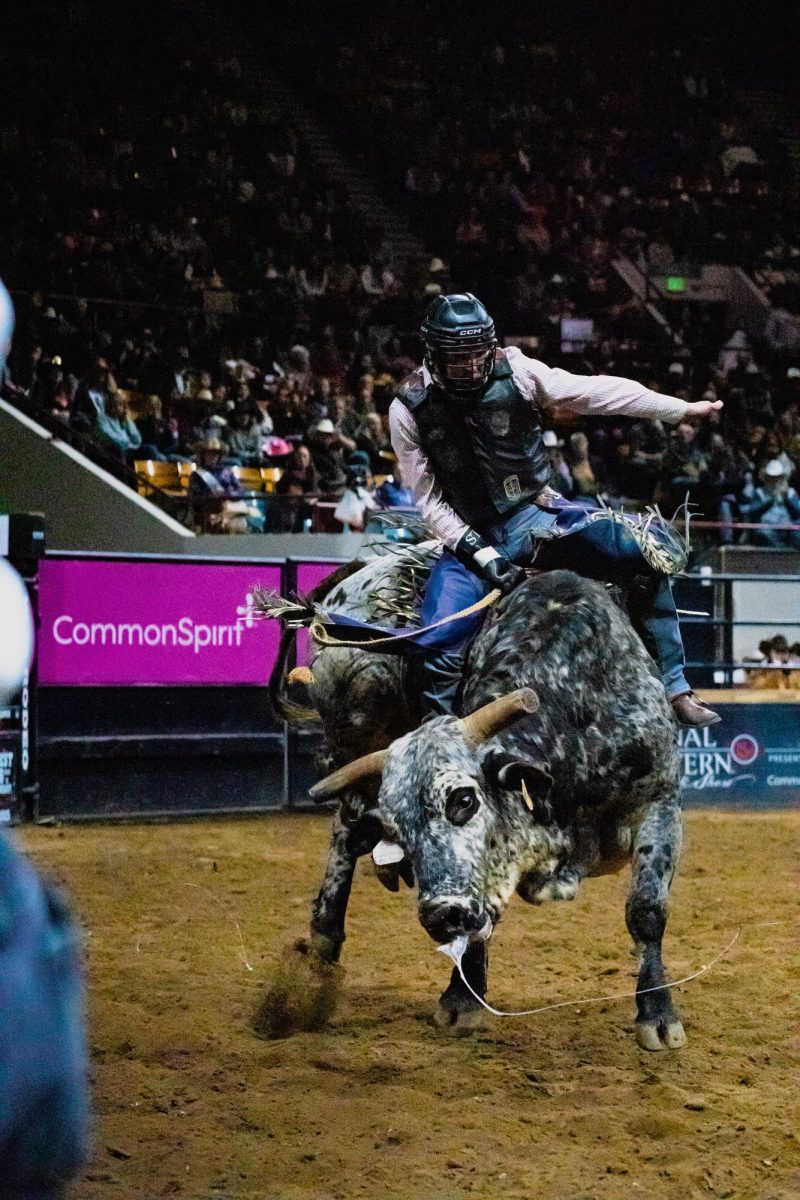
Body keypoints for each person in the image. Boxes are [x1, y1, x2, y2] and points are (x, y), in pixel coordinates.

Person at [387, 293, 724, 725]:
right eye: (459, 359)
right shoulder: (408, 409)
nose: (472, 367)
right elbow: (429, 501)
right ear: (433, 356)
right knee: (437, 640)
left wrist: (680, 411)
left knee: (644, 550)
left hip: (539, 516)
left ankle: (674, 686)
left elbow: (596, 392)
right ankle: (442, 736)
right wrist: (482, 554)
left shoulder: (521, 372)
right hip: (469, 539)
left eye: (478, 355)